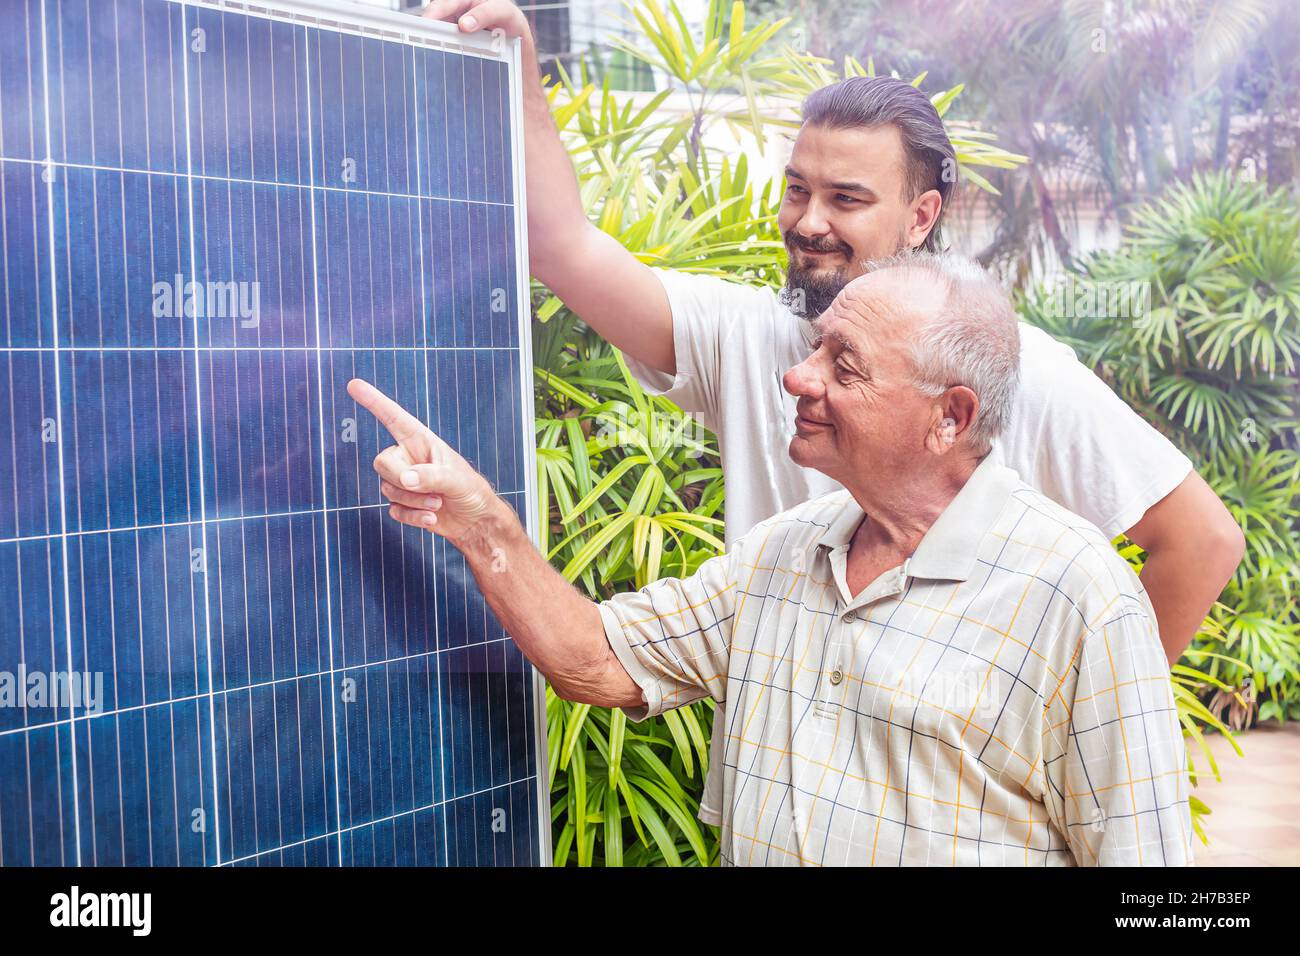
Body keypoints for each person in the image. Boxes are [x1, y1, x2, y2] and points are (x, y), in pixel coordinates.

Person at [415, 0, 1242, 830]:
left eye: (846, 198)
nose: (809, 222)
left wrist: (1069, 723)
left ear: (921, 217)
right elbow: (563, 245)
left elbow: (1201, 540)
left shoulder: (1019, 378)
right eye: (798, 190)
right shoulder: (753, 356)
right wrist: (519, 63)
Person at [348, 251, 1193, 866]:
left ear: (949, 417)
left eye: (844, 365)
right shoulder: (788, 550)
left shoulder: (1077, 595)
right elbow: (600, 661)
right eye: (818, 346)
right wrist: (479, 522)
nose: (799, 378)